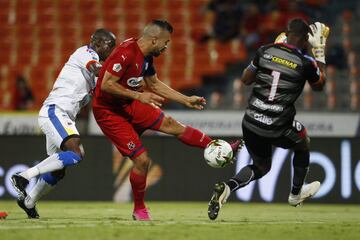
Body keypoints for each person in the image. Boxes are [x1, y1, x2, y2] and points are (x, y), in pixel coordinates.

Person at [92, 19, 242, 221]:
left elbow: (153, 84)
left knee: (172, 124)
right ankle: (139, 209)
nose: (166, 46)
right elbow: (106, 85)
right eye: (166, 42)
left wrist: (186, 99)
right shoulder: (126, 53)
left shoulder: (146, 58)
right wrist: (139, 96)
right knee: (142, 161)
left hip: (130, 103)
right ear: (154, 40)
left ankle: (218, 147)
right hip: (109, 111)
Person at [207, 19, 329, 220]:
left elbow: (245, 79)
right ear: (307, 38)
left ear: (286, 33)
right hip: (278, 124)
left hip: (251, 121)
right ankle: (296, 194)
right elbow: (319, 85)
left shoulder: (265, 50)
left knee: (262, 166)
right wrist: (320, 52)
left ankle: (227, 188)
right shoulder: (306, 62)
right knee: (303, 140)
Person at [10, 29, 116, 219]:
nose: (112, 51)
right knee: (77, 153)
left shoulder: (98, 73)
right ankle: (23, 176)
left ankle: (28, 201)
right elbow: (96, 68)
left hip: (64, 115)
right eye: (111, 46)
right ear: (99, 44)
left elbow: (106, 86)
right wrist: (120, 69)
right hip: (55, 111)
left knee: (58, 171)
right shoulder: (85, 53)